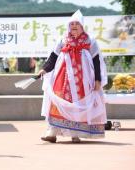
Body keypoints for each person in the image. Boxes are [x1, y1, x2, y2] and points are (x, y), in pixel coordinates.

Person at [38, 10, 107, 143]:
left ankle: (75, 133)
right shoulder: (63, 39)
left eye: (77, 24)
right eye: (72, 24)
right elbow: (53, 57)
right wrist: (44, 69)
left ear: (82, 26)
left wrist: (98, 79)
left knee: (77, 105)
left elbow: (96, 60)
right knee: (57, 103)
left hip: (82, 80)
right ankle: (52, 133)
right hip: (63, 78)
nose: (74, 26)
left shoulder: (90, 40)